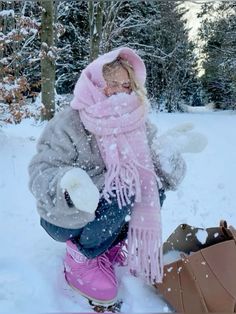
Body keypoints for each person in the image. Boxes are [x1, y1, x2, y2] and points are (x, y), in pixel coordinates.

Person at [28, 47, 186, 305]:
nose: (120, 90)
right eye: (111, 83)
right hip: (66, 214)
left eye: (126, 84)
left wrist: (169, 153)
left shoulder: (137, 120)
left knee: (150, 190)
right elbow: (41, 170)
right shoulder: (70, 122)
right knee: (120, 192)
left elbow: (162, 171)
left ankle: (108, 245)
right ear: (95, 83)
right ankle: (81, 257)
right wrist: (70, 183)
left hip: (107, 209)